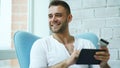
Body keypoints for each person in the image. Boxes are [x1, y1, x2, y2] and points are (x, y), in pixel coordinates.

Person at [29, 0, 110, 68]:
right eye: (50, 16)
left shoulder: (86, 44)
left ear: (69, 18)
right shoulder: (40, 45)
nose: (53, 19)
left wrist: (104, 64)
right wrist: (68, 62)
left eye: (58, 15)